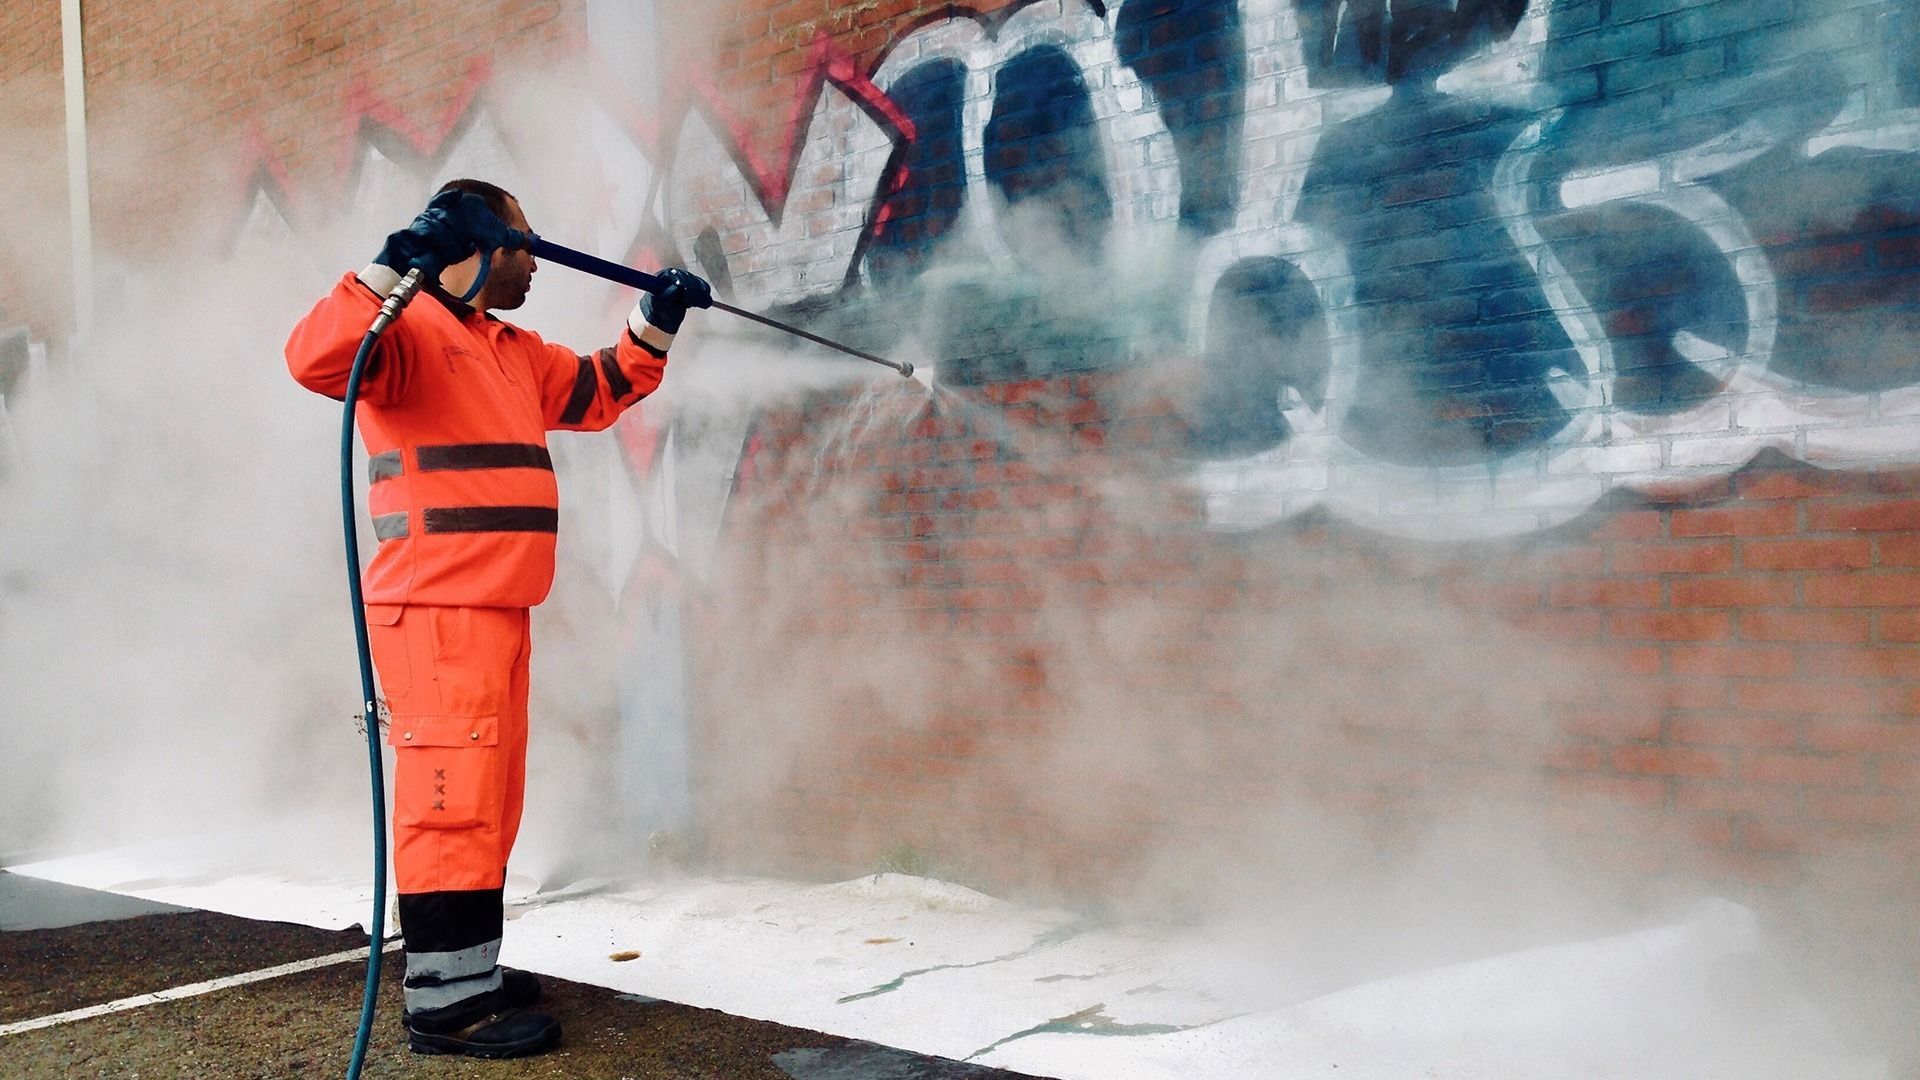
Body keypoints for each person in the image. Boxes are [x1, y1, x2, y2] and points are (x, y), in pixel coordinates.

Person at [285, 179, 710, 1058]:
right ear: (479, 246)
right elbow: (315, 357)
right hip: (437, 610)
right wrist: (400, 256)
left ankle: (467, 967)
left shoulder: (507, 348)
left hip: (498, 608)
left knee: (489, 799)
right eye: (524, 243)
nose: (535, 261)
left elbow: (597, 391)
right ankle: (443, 1007)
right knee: (451, 804)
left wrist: (656, 321)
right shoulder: (404, 334)